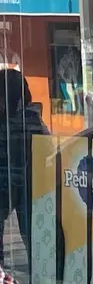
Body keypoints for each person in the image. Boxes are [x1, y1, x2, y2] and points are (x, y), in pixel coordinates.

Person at [0, 69, 46, 264]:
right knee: (32, 238)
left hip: (12, 185)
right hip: (30, 186)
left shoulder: (9, 124)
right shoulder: (34, 121)